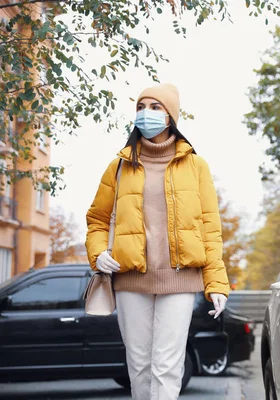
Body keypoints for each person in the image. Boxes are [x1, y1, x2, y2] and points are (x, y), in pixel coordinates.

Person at [85, 83, 229, 400]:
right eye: (140, 106)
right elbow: (96, 219)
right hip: (130, 279)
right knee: (138, 366)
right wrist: (98, 254)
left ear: (170, 116)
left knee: (167, 365)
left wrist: (216, 283)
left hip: (179, 279)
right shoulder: (119, 166)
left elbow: (210, 228)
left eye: (155, 107)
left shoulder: (196, 166)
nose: (145, 113)